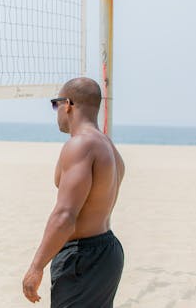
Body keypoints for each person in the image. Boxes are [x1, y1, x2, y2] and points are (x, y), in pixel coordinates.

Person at [22, 77, 125, 307]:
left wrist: (36, 267)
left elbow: (65, 215)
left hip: (82, 258)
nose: (55, 111)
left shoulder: (81, 145)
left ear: (67, 104)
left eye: (55, 104)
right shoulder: (109, 147)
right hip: (108, 251)